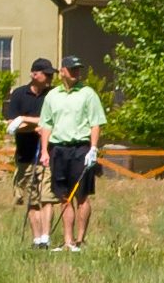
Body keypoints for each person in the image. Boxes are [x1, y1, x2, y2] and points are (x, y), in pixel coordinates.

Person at [38, 56, 111, 251]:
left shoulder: (88, 94)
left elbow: (96, 123)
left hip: (81, 148)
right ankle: (68, 241)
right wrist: (45, 151)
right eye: (72, 69)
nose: (76, 72)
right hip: (59, 149)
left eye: (78, 69)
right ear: (62, 71)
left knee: (82, 195)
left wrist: (93, 148)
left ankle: (80, 240)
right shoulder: (52, 96)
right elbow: (46, 125)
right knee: (64, 196)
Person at [8, 59, 58, 245]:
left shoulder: (53, 94)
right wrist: (35, 125)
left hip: (47, 155)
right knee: (31, 199)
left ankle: (46, 237)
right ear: (35, 74)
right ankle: (37, 239)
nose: (50, 78)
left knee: (47, 198)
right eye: (47, 74)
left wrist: (26, 119)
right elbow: (12, 126)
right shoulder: (19, 94)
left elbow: (53, 120)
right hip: (25, 155)